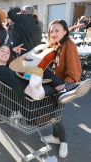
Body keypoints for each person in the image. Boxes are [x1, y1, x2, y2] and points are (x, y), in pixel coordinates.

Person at [39, 19, 90, 158]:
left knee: (55, 115)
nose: (53, 33)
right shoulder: (54, 44)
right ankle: (56, 137)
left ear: (65, 32)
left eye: (57, 31)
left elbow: (74, 72)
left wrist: (65, 86)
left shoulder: (69, 45)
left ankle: (63, 141)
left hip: (63, 86)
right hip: (53, 85)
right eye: (51, 31)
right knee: (53, 113)